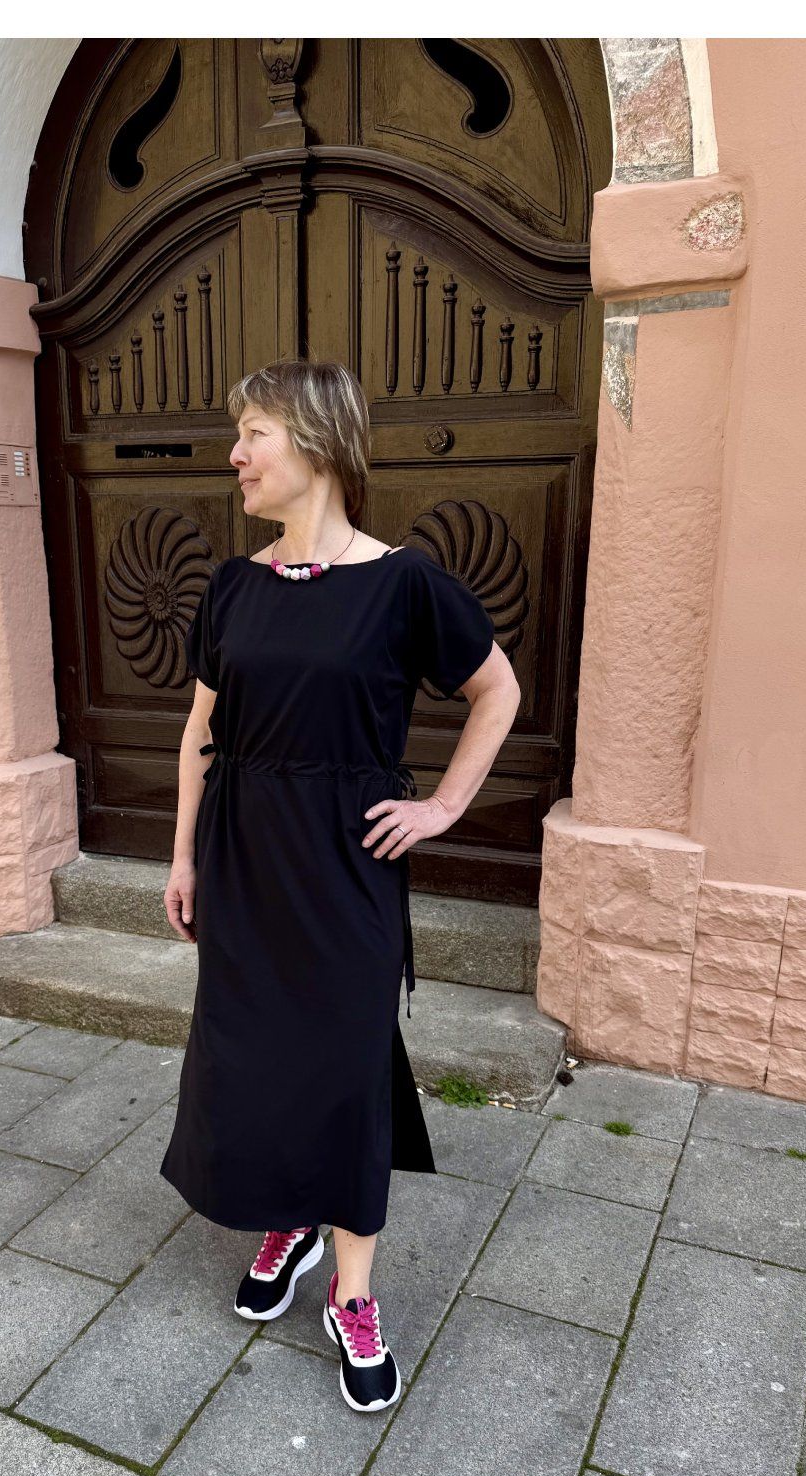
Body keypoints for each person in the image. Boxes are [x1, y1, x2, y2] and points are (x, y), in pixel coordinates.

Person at [159, 359, 521, 1413]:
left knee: (350, 1066)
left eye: (254, 432)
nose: (235, 454)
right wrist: (182, 857)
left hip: (346, 867)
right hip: (242, 856)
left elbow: (497, 689)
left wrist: (443, 806)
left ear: (315, 441)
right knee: (253, 1055)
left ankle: (351, 1292)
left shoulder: (406, 586)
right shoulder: (234, 586)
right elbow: (200, 732)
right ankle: (291, 1220)